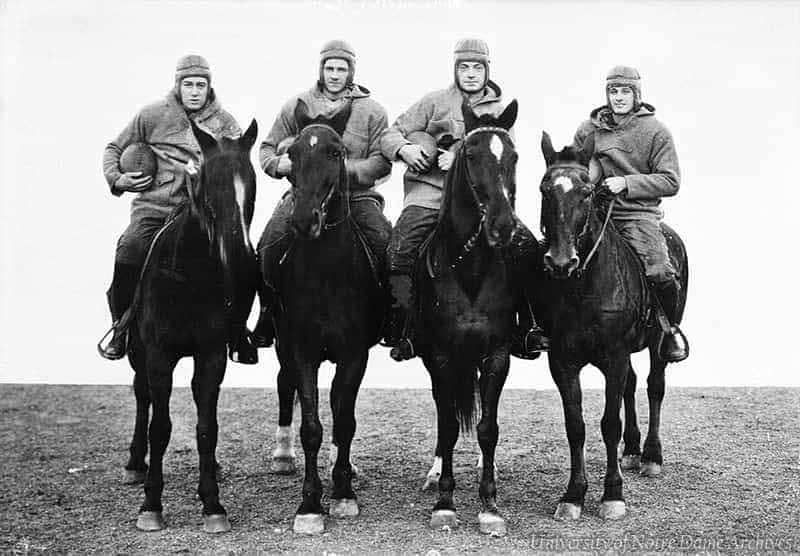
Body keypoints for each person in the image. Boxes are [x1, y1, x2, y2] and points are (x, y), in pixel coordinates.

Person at [379, 38, 549, 360]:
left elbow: (503, 158)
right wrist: (405, 149)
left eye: (477, 67)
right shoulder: (432, 102)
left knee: (527, 249)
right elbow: (391, 133)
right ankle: (405, 328)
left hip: (481, 205)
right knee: (398, 251)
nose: (470, 74)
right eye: (464, 67)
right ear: (455, 69)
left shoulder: (500, 112)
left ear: (487, 70)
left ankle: (528, 327)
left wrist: (458, 156)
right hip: (429, 196)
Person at [100, 54, 258, 364]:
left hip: (203, 216)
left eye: (201, 85)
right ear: (178, 85)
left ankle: (238, 332)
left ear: (209, 87)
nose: (195, 91)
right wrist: (118, 178)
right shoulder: (151, 115)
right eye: (189, 84)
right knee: (129, 249)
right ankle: (122, 328)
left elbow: (237, 164)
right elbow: (113, 149)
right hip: (155, 209)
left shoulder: (225, 123)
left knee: (246, 259)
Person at [252, 40, 392, 346]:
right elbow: (266, 148)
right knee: (269, 241)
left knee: (386, 243)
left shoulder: (372, 110)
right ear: (321, 69)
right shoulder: (296, 105)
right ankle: (267, 314)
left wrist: (347, 172)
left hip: (357, 198)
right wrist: (281, 164)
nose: (335, 75)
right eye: (329, 68)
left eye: (341, 69)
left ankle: (388, 316)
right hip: (303, 195)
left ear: (351, 72)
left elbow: (383, 161)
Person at [572, 65, 688, 362]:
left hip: (638, 214)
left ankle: (668, 329)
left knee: (660, 269)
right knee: (554, 255)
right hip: (596, 213)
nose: (619, 97)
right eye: (614, 91)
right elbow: (575, 170)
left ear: (637, 94)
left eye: (625, 91)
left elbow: (671, 180)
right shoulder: (589, 129)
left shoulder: (656, 131)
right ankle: (544, 328)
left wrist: (627, 183)